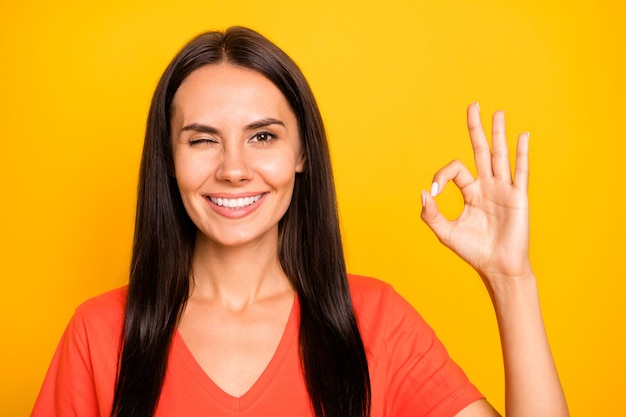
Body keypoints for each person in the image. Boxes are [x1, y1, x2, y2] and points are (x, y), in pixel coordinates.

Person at [31, 26, 569, 417]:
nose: (234, 169)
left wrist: (510, 280)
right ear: (168, 161)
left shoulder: (377, 324)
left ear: (301, 153)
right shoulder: (100, 335)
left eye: (262, 136)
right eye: (201, 140)